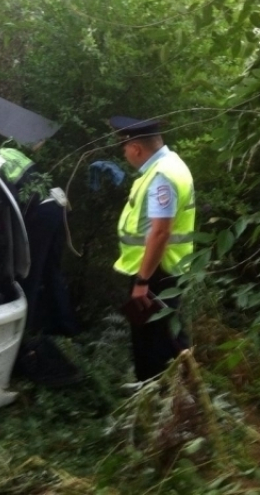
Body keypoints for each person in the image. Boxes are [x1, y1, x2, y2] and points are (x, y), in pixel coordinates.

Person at [109, 116, 194, 381]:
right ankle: (184, 398)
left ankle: (161, 402)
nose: (124, 154)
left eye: (124, 148)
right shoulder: (172, 166)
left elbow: (160, 232)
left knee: (153, 345)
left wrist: (142, 281)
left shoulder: (161, 178)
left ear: (136, 148)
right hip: (164, 269)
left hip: (155, 272)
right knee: (169, 337)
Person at [0, 147, 80, 337]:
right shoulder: (8, 151)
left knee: (29, 272)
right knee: (52, 270)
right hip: (58, 204)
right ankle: (67, 327)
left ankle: (23, 330)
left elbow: (12, 200)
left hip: (41, 212)